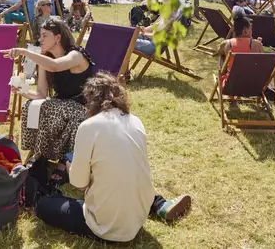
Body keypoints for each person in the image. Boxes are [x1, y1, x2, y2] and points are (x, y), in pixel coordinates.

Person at [33, 73, 191, 241]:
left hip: (106, 226)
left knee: (44, 206)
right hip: (139, 216)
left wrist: (71, 167)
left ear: (90, 100)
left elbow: (79, 184)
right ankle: (158, 205)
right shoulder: (136, 121)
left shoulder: (88, 126)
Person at [4, 18, 96, 163]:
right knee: (30, 105)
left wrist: (24, 52)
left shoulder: (76, 55)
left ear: (58, 38)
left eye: (45, 35)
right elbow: (41, 94)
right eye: (40, 35)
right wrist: (21, 90)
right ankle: (40, 155)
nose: (40, 39)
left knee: (49, 107)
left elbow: (55, 66)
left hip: (84, 107)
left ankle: (46, 157)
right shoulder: (46, 59)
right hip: (61, 105)